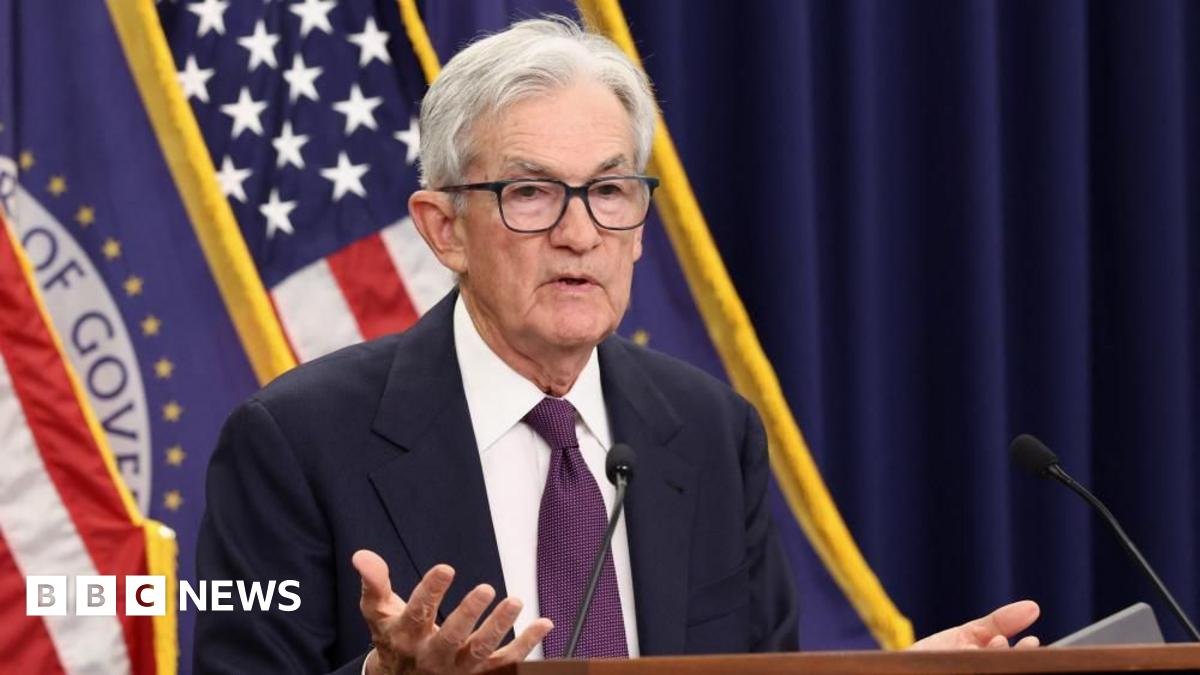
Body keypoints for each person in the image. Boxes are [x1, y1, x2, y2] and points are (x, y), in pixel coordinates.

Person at [194, 17, 1041, 675]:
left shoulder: (710, 430)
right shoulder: (293, 442)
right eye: (530, 192)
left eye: (609, 189)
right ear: (443, 228)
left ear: (639, 224)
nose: (579, 232)